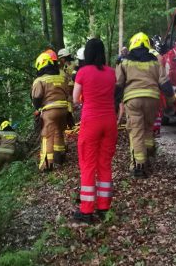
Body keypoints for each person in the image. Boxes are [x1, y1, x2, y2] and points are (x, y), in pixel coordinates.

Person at [116, 32, 175, 179]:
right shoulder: (155, 62)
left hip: (133, 100)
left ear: (132, 44)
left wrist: (114, 105)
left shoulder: (125, 63)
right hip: (152, 100)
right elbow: (165, 85)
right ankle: (148, 155)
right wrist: (171, 101)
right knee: (148, 128)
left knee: (136, 131)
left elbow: (118, 85)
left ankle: (138, 166)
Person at [72, 38, 118, 223]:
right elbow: (113, 94)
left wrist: (87, 98)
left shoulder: (82, 72)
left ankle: (86, 211)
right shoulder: (111, 73)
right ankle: (104, 207)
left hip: (91, 122)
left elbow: (76, 98)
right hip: (110, 122)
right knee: (104, 163)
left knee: (88, 164)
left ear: (88, 54)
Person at [32, 51, 70, 171]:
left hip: (49, 112)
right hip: (64, 109)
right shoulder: (62, 76)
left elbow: (36, 98)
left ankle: (46, 164)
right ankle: (60, 156)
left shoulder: (39, 80)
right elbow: (68, 92)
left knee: (47, 136)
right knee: (59, 131)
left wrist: (38, 108)